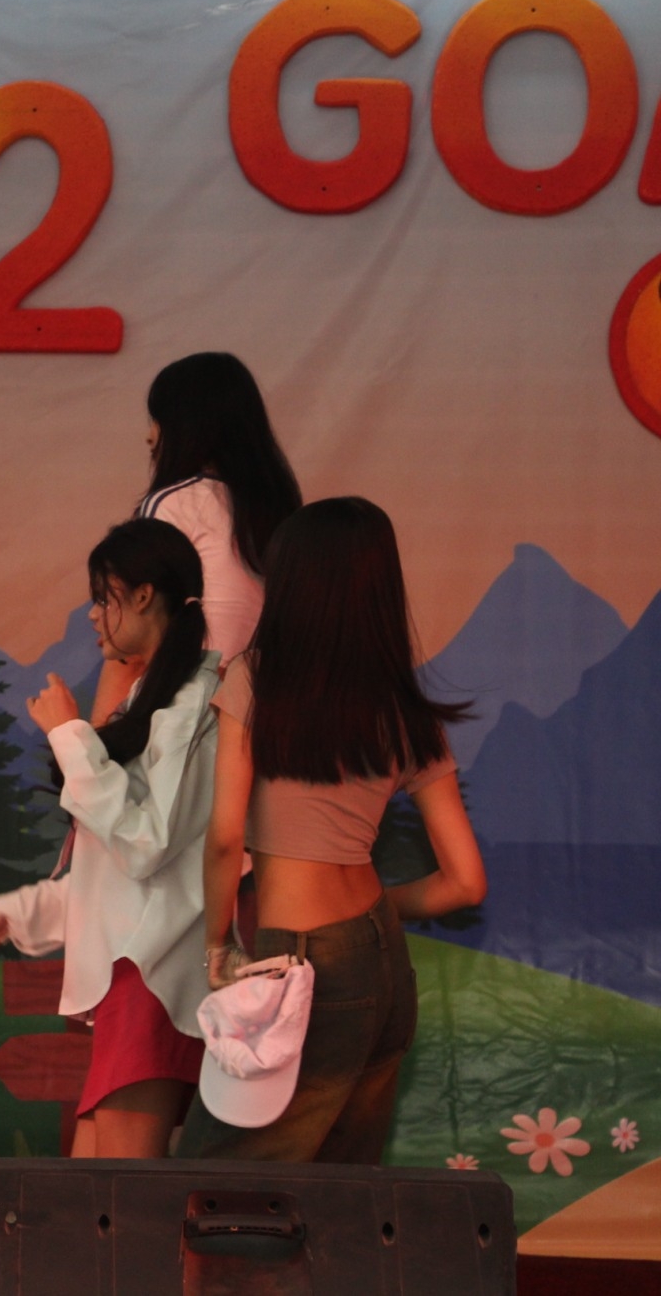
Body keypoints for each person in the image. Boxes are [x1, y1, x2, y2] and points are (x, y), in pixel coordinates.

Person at [179, 497, 486, 1163]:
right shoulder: (405, 708)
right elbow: (465, 883)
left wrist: (217, 946)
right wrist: (373, 917)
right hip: (381, 959)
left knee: (217, 1177)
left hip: (301, 958)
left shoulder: (256, 677)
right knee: (343, 1185)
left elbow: (226, 837)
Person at [0, 519, 219, 1158]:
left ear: (143, 596)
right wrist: (23, 911)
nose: (93, 615)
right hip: (133, 976)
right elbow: (115, 872)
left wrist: (69, 736)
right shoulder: (154, 700)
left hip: (153, 975)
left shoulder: (194, 706)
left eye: (104, 597)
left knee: (117, 1191)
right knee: (91, 1189)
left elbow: (148, 844)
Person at [94, 352, 301, 722]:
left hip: (190, 711)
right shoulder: (282, 511)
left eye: (158, 418)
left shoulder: (174, 503)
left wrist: (97, 745)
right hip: (268, 710)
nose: (149, 436)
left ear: (188, 426)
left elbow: (137, 631)